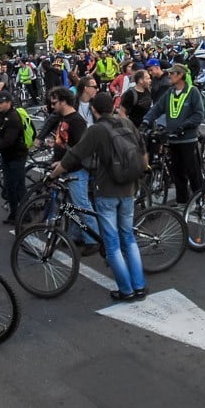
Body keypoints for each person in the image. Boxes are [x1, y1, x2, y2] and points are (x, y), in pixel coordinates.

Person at [50, 92, 147, 303]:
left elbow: (75, 155)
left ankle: (126, 290)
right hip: (129, 188)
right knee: (128, 239)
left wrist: (55, 173)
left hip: (107, 191)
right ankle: (139, 286)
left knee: (112, 244)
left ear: (94, 110)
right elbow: (142, 151)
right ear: (113, 107)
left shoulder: (96, 130)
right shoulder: (127, 123)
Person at [43, 87, 98, 253]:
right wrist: (56, 146)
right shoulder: (64, 118)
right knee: (72, 204)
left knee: (81, 204)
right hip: (66, 167)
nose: (52, 106)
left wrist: (61, 162)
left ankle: (93, 239)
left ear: (63, 101)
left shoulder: (76, 121)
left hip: (76, 169)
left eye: (54, 102)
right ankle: (76, 236)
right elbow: (67, 143)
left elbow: (79, 149)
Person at [142, 64, 204, 207]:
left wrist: (184, 125)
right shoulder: (170, 93)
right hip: (173, 140)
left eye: (172, 74)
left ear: (180, 75)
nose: (169, 76)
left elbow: (199, 115)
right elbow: (157, 108)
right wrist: (146, 121)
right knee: (177, 171)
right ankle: (182, 201)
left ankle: (200, 201)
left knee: (193, 171)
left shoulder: (193, 92)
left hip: (188, 139)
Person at [0, 90, 28, 224]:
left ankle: (24, 215)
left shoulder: (13, 118)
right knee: (10, 187)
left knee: (18, 187)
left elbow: (9, 140)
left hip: (16, 156)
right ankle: (14, 213)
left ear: (9, 103)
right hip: (8, 155)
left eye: (1, 102)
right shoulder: (3, 115)